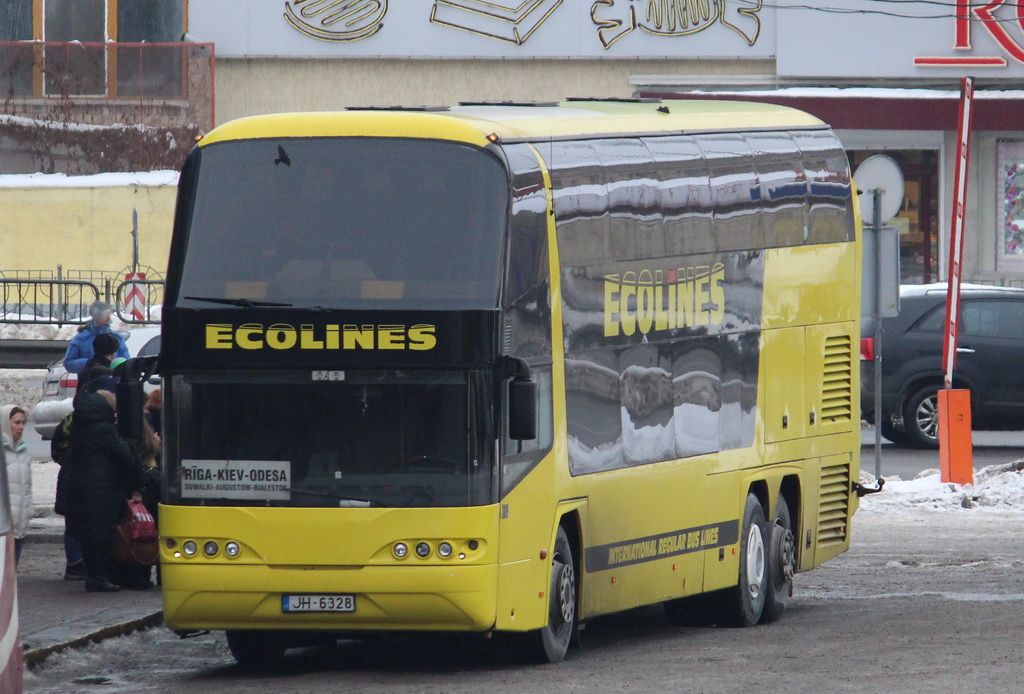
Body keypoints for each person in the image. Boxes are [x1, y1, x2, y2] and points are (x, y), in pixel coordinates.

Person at [66, 376, 146, 592]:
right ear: (107, 396)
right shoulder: (103, 427)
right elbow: (124, 455)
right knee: (101, 535)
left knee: (91, 535)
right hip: (101, 487)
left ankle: (97, 576)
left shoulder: (82, 421)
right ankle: (98, 577)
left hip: (86, 485)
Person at [63, 300, 130, 374]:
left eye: (109, 313)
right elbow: (68, 364)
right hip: (89, 383)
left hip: (112, 382)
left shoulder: (117, 338)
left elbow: (126, 362)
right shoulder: (81, 339)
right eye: (105, 314)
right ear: (95, 316)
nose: (108, 316)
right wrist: (90, 362)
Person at [1, 406, 32, 564]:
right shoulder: (2, 452)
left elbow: (28, 486)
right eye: (17, 422)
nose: (22, 427)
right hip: (3, 526)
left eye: (23, 422)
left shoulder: (24, 451)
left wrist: (28, 510)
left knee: (12, 573)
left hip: (19, 523)